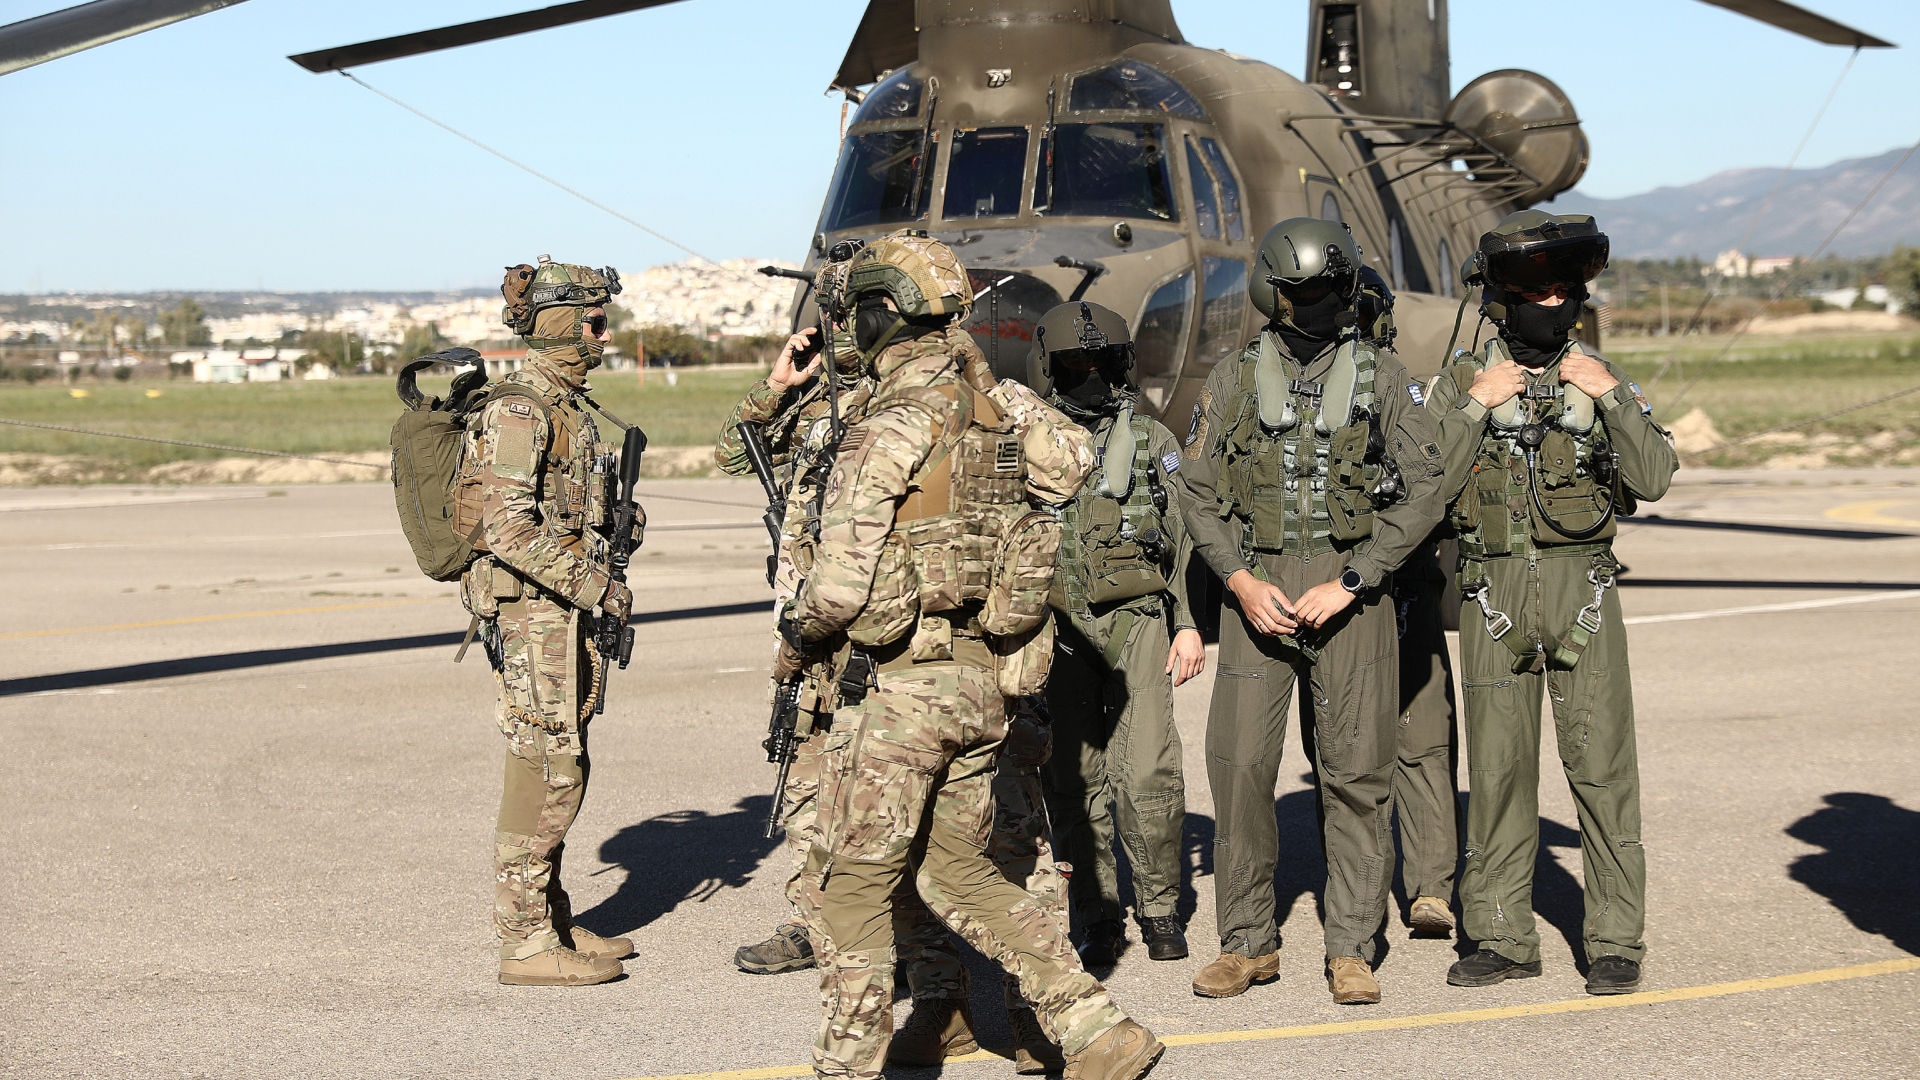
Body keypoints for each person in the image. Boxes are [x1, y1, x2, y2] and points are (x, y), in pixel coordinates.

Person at [784, 230, 1163, 1080]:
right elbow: (1071, 467)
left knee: (852, 888)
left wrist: (793, 640)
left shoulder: (890, 425)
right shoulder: (985, 411)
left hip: (900, 691)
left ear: (879, 317)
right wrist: (986, 384)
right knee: (957, 873)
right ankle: (1095, 1026)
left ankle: (848, 1066)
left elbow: (837, 590)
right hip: (982, 685)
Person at [1174, 219, 1445, 1005]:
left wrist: (1356, 578)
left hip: (1348, 592)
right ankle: (1247, 943)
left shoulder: (1381, 376)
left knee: (1357, 773)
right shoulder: (1232, 378)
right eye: (1302, 292)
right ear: (1272, 293)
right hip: (1257, 592)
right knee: (1240, 768)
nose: (1318, 304)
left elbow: (1426, 487)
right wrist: (1239, 582)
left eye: (1330, 289)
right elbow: (1197, 491)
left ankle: (1351, 947)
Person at [1425, 210, 1676, 995]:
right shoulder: (1459, 382)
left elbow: (1654, 477)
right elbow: (1422, 482)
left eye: (1565, 291)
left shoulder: (1599, 378)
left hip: (1584, 594)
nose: (1553, 304)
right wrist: (1475, 404)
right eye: (1536, 292)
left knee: (1603, 771)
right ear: (1504, 299)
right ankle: (1501, 935)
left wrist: (1612, 397)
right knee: (1498, 773)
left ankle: (1615, 940)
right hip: (1491, 594)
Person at [457, 256, 641, 986]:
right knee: (548, 769)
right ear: (564, 324)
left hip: (559, 613)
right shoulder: (522, 410)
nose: (604, 335)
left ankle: (550, 917)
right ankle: (524, 939)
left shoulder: (564, 406)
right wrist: (595, 587)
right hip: (534, 615)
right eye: (594, 322)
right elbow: (506, 528)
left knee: (561, 758)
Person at [1030, 301, 1205, 967]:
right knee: (1074, 781)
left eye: (1102, 361)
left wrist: (1187, 624)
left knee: (1150, 770)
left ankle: (1159, 907)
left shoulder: (1153, 442)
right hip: (1057, 631)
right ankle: (1097, 913)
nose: (1092, 375)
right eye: (1075, 364)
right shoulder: (1029, 444)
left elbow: (1183, 539)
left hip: (1139, 622)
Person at [1297, 267, 1462, 939]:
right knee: (1335, 745)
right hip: (1333, 596)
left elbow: (1436, 482)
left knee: (1422, 738)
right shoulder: (1300, 392)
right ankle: (1353, 880)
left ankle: (1430, 887)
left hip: (1405, 586)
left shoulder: (1405, 390)